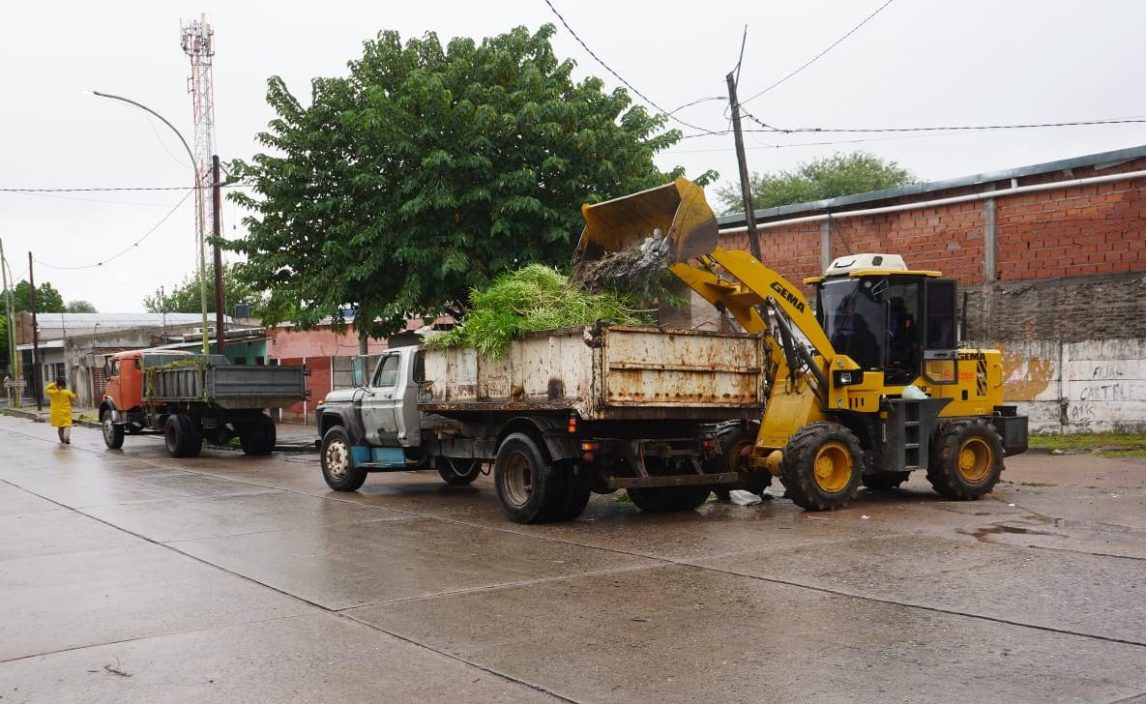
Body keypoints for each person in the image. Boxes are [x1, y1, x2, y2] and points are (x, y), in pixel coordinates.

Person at [45, 376, 77, 445]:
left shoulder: (53, 392)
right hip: (66, 412)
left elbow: (46, 389)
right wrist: (74, 392)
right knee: (67, 425)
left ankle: (62, 439)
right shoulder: (67, 392)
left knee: (60, 427)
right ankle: (66, 438)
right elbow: (73, 397)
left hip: (56, 413)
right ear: (64, 385)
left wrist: (54, 384)